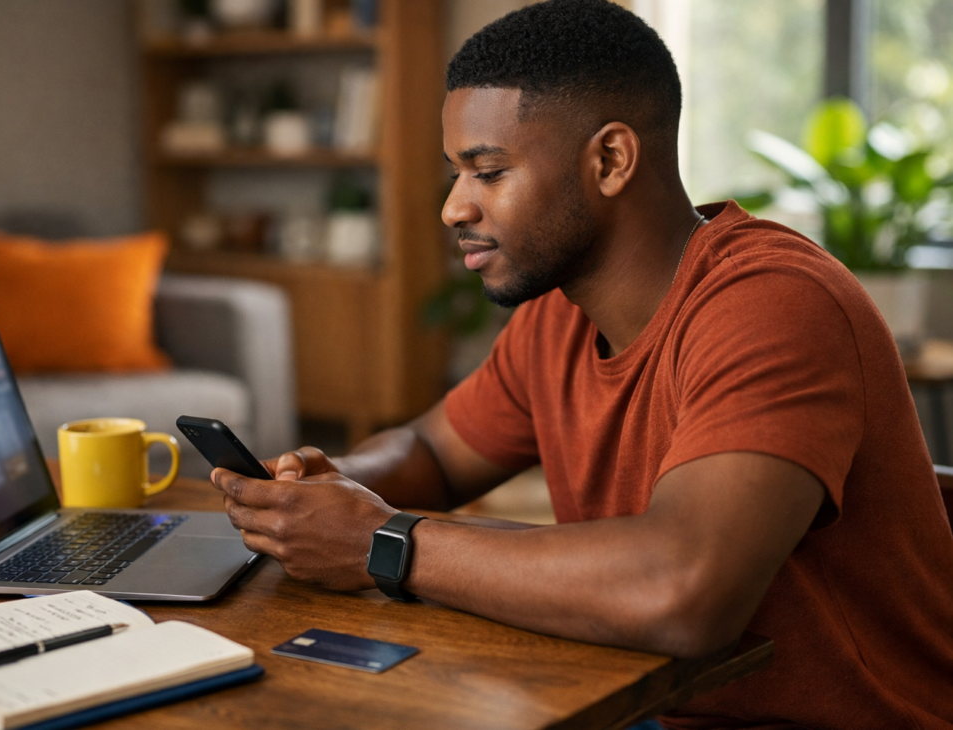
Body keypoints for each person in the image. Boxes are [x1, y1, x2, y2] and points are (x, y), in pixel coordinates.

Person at [211, 1, 953, 727]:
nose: (453, 209)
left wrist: (384, 543)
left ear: (610, 159)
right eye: (456, 173)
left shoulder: (774, 306)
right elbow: (434, 450)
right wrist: (327, 491)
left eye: (488, 172)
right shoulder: (558, 313)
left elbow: (683, 592)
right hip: (649, 697)